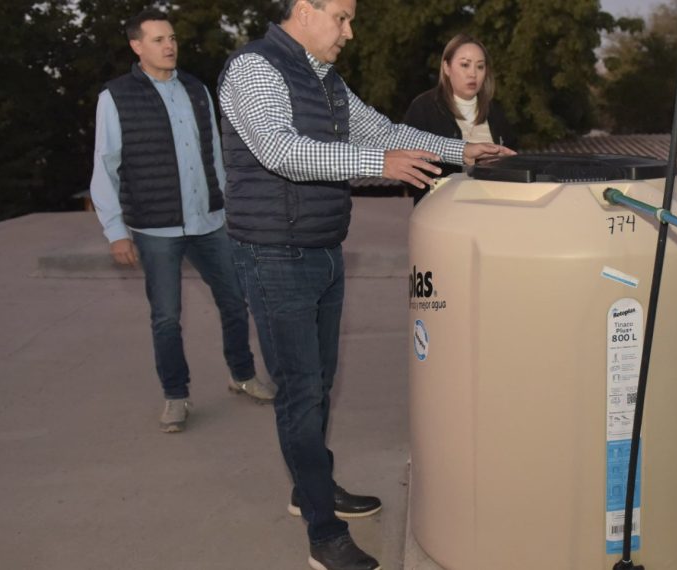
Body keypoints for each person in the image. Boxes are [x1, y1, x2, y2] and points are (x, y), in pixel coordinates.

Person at [216, 1, 512, 568]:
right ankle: (324, 537)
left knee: (320, 383)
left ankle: (312, 488)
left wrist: (463, 151)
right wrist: (380, 161)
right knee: (300, 392)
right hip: (274, 254)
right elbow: (282, 150)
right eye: (343, 18)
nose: (350, 33)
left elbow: (385, 129)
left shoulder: (325, 78)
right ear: (305, 9)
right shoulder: (256, 69)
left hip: (323, 249)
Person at [89, 9, 274, 434]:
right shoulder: (115, 97)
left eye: (171, 37)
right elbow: (105, 166)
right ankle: (175, 396)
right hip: (156, 228)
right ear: (137, 46)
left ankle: (242, 375)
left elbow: (214, 154)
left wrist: (230, 208)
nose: (169, 45)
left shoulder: (196, 89)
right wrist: (116, 231)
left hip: (210, 220)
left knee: (234, 301)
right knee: (166, 317)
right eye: (157, 39)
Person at [403, 33, 517, 178]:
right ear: (447, 67)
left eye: (480, 67)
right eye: (465, 65)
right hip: (443, 199)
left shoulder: (496, 111)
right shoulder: (424, 108)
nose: (473, 74)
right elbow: (405, 162)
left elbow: (513, 161)